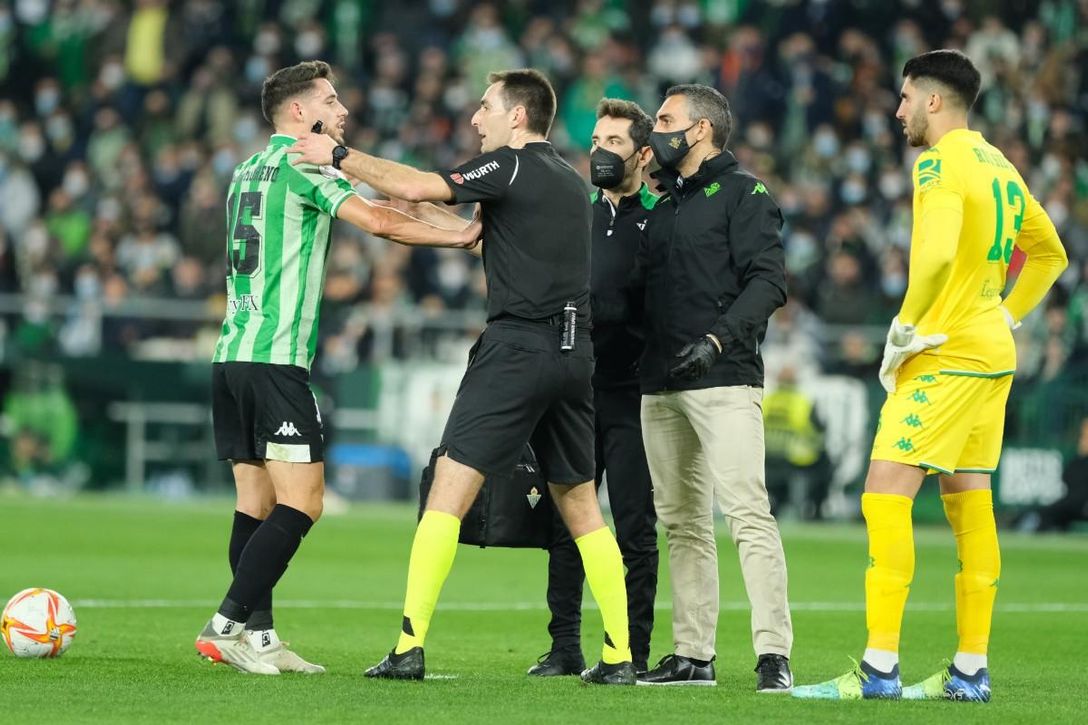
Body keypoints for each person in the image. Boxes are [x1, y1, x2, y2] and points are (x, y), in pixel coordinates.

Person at [289, 68, 637, 685]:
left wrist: (338, 155)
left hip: (519, 347)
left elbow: (425, 183)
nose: (476, 119)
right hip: (573, 354)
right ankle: (618, 656)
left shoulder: (509, 166)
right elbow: (479, 237)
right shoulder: (569, 183)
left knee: (447, 490)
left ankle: (407, 647)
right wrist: (414, 214)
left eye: (485, 108)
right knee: (582, 505)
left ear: (518, 117)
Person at [792, 49, 1068, 703]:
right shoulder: (1000, 165)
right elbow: (1050, 253)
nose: (898, 110)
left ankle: (878, 668)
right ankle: (970, 670)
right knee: (971, 510)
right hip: (991, 354)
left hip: (943, 354)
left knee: (883, 492)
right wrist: (1008, 317)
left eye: (904, 97)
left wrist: (904, 327)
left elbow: (940, 253)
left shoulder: (939, 163)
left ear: (933, 101)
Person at [194, 60, 480, 676]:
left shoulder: (246, 169)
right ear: (300, 113)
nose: (342, 108)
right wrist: (462, 239)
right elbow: (376, 220)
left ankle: (260, 637)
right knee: (306, 503)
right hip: (275, 362)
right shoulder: (303, 163)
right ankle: (226, 623)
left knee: (256, 504)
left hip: (232, 354)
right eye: (330, 98)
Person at [631, 84, 793, 691]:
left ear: (700, 130)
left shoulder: (746, 194)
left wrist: (718, 341)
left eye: (667, 120)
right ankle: (693, 654)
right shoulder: (662, 204)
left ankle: (774, 653)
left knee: (748, 513)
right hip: (660, 381)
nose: (656, 131)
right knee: (683, 523)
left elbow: (769, 281)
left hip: (723, 377)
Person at [527, 98, 659, 678]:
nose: (600, 152)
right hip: (577, 390)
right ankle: (564, 647)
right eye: (596, 142)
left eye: (614, 143)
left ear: (644, 154)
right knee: (564, 524)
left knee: (633, 525)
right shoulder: (576, 213)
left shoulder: (663, 216)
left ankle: (628, 651)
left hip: (634, 394)